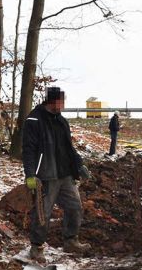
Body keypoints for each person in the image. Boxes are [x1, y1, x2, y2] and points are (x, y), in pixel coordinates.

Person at [22, 86, 91, 260]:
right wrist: (30, 174)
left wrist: (79, 165)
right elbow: (28, 149)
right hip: (45, 175)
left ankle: (70, 240)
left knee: (75, 207)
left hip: (65, 174)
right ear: (51, 101)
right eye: (60, 102)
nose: (62, 105)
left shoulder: (62, 121)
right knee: (43, 212)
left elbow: (69, 147)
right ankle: (36, 247)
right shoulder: (34, 120)